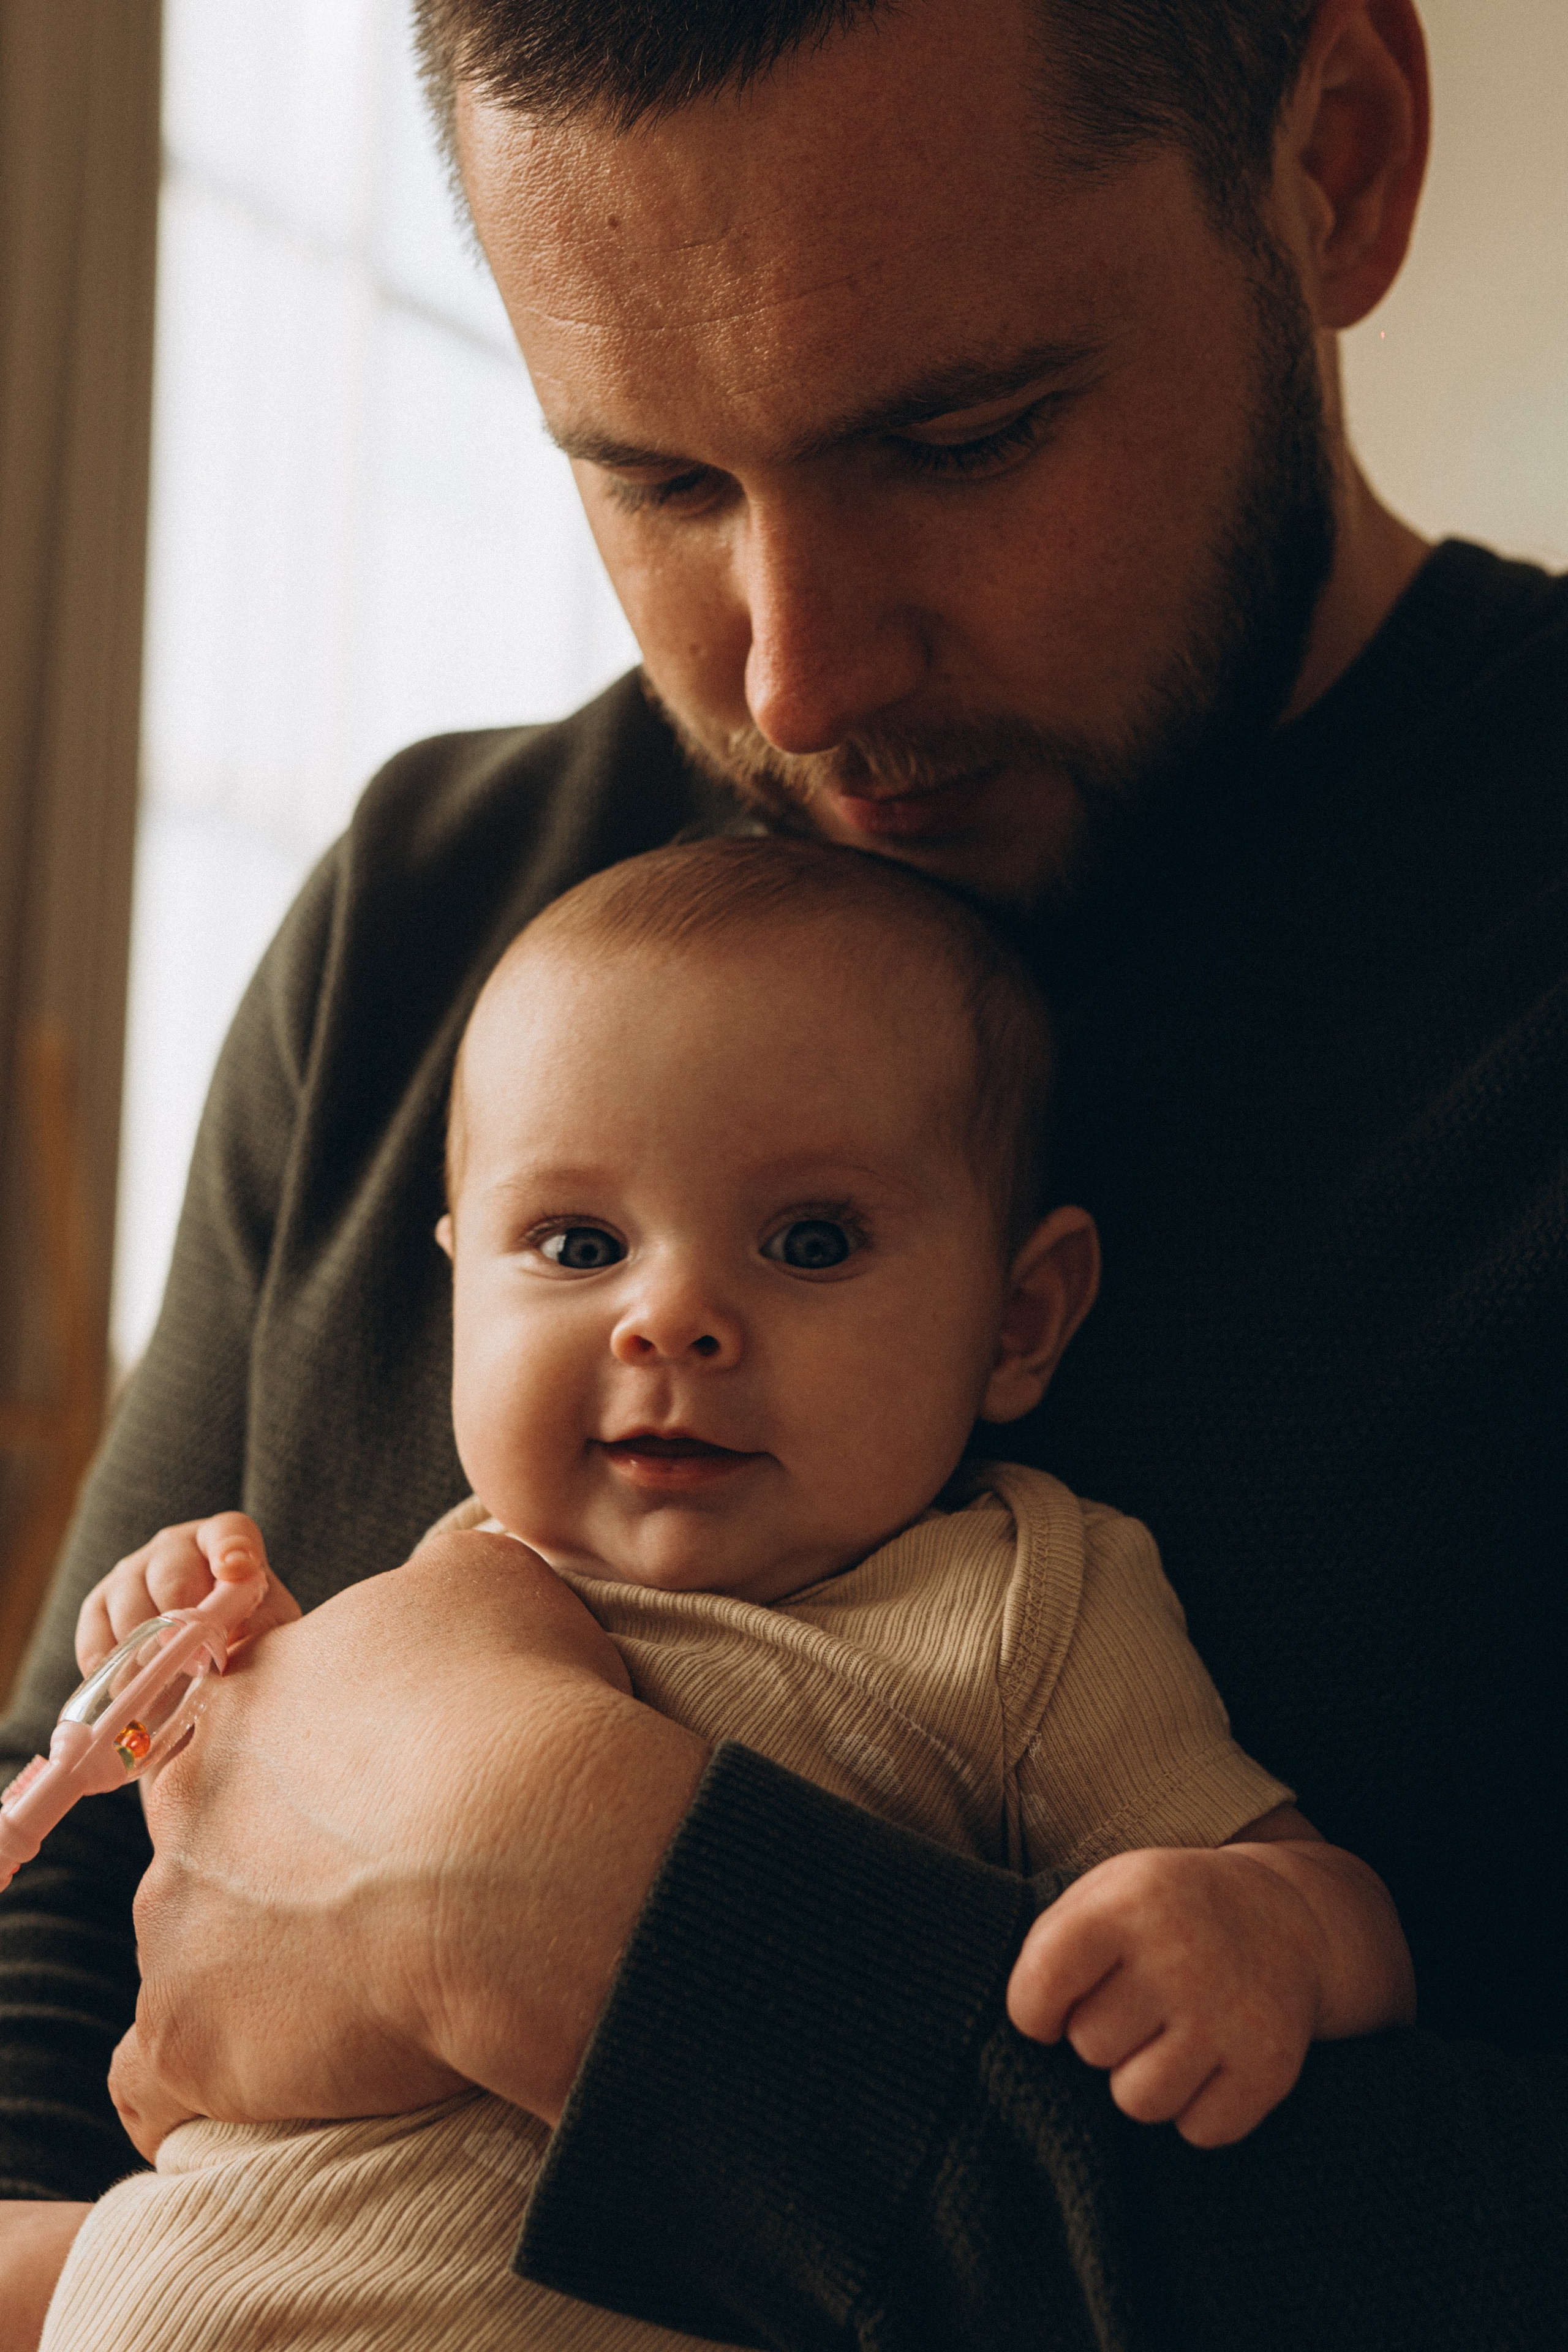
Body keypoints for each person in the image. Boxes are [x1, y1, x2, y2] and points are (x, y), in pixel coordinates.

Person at [1, 0, 1564, 2345]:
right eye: (653, 481)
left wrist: (562, 1903)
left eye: (959, 438)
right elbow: (45, 1990)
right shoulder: (435, 915)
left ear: (1335, 165)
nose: (801, 676)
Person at [39, 839, 1414, 2350]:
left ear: (1019, 1320)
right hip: (160, 2278)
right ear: (455, 1291)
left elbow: (1306, 1887)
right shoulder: (456, 1564)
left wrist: (1264, 1933)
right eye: (576, 1245)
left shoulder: (1020, 1604)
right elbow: (164, 1853)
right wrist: (181, 1657)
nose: (670, 1318)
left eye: (809, 1242)